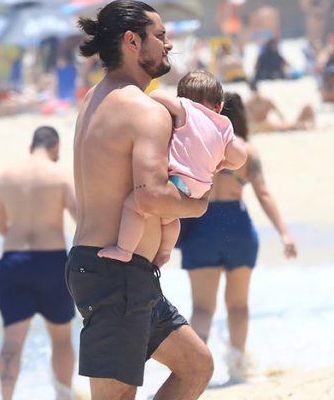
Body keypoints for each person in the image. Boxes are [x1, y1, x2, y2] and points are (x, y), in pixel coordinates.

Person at [65, 0, 214, 400]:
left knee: (195, 364)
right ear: (132, 41)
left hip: (123, 273)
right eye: (160, 35)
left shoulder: (98, 99)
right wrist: (201, 201)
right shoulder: (142, 109)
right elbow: (152, 195)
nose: (168, 46)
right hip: (114, 274)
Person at [179, 92, 297, 382]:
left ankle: (195, 371)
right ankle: (237, 366)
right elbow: (263, 193)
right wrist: (284, 233)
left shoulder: (197, 147)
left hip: (201, 224)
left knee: (203, 308)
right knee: (239, 304)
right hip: (238, 228)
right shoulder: (247, 151)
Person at [98, 70, 247, 266]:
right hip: (200, 187)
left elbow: (155, 95)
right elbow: (240, 157)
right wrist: (224, 163)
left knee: (134, 206)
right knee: (170, 218)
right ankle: (165, 251)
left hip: (178, 180)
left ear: (182, 97)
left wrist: (178, 104)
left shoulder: (186, 108)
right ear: (219, 106)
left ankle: (123, 249)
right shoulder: (224, 124)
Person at [0, 126, 78, 400]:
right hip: (51, 261)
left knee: (12, 340)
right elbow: (80, 216)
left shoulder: (6, 176)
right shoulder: (59, 175)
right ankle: (64, 399)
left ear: (31, 146)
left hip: (13, 261)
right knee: (62, 337)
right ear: (55, 148)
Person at [245, 80, 315, 133]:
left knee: (290, 125)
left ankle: (305, 125)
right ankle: (305, 125)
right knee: (289, 126)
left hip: (266, 125)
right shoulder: (251, 103)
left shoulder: (263, 101)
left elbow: (280, 115)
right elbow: (280, 115)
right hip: (263, 126)